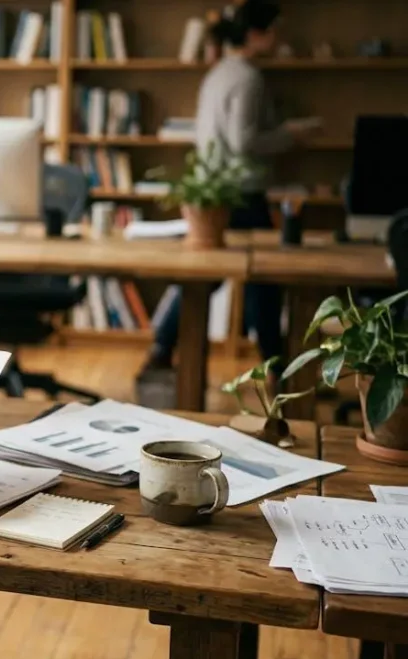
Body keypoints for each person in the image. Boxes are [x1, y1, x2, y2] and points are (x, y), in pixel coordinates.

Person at [142, 0, 318, 380]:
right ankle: (276, 363)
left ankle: (162, 347)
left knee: (206, 278)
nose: (280, 39)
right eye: (275, 30)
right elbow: (243, 142)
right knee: (263, 279)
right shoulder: (248, 78)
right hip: (237, 189)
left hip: (214, 188)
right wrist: (290, 133)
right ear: (257, 34)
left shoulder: (220, 71)